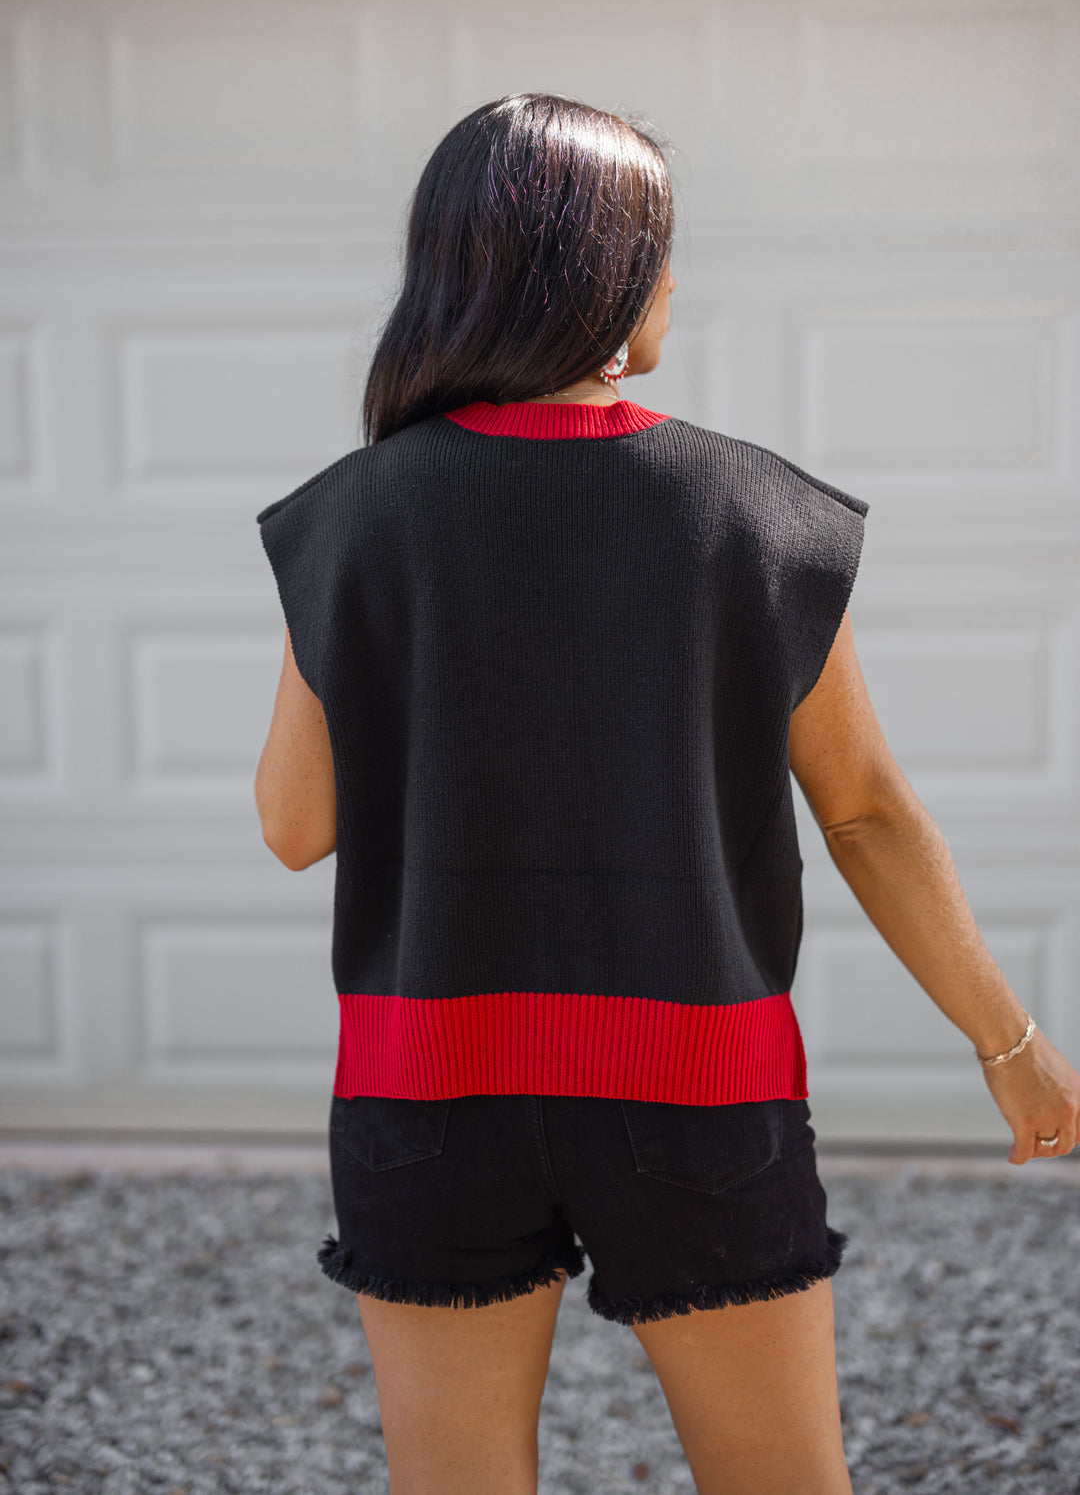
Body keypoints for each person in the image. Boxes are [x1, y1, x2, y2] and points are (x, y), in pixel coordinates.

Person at [254, 93, 1080, 1495]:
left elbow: (296, 828)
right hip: (695, 1085)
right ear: (617, 278)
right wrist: (1010, 1042)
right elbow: (867, 811)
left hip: (425, 1090)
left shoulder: (353, 513)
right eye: (665, 254)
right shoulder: (756, 517)